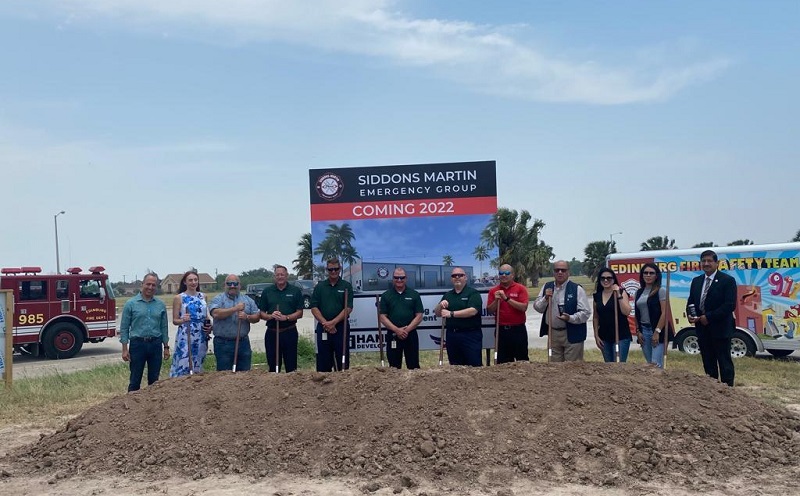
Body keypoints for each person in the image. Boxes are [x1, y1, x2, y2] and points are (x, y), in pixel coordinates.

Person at [687, 250, 736, 386]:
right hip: (702, 330)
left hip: (721, 329)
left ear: (717, 263)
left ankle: (728, 391)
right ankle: (712, 390)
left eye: (709, 261)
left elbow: (729, 305)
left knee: (724, 362)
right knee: (708, 362)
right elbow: (691, 301)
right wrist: (690, 314)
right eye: (703, 261)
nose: (706, 264)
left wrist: (708, 317)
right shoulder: (696, 281)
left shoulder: (727, 281)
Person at [119, 274, 169, 392]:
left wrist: (166, 347)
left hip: (155, 344)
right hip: (138, 345)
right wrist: (125, 349)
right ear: (142, 284)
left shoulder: (160, 305)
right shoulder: (131, 304)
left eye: (153, 285)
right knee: (135, 379)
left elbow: (164, 327)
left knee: (154, 381)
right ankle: (132, 402)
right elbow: (124, 327)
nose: (150, 287)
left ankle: (152, 403)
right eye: (148, 284)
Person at [533, 260, 590, 362]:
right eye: (557, 270)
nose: (560, 272)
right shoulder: (547, 287)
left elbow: (586, 313)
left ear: (568, 272)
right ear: (553, 272)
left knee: (572, 367)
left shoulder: (577, 289)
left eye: (563, 270)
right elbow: (538, 308)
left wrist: (570, 318)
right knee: (554, 367)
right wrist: (545, 298)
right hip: (553, 333)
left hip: (573, 333)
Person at [310, 258, 354, 372]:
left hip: (341, 327)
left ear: (340, 269)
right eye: (330, 269)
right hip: (323, 327)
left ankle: (342, 382)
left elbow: (348, 308)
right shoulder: (320, 287)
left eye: (336, 269)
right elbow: (314, 307)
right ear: (327, 270)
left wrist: (333, 323)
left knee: (342, 361)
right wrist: (326, 323)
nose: (333, 271)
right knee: (323, 361)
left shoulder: (346, 286)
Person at [209, 275, 260, 371]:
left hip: (243, 343)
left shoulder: (248, 300)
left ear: (240, 285)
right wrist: (235, 309)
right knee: (224, 374)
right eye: (229, 283)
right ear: (224, 285)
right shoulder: (218, 299)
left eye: (235, 283)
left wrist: (247, 317)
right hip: (223, 344)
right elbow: (216, 313)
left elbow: (257, 317)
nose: (232, 286)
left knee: (244, 374)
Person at [259, 265, 304, 373]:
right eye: (277, 275)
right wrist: (271, 316)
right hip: (272, 333)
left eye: (282, 274)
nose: (280, 277)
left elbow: (300, 313)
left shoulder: (295, 291)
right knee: (273, 366)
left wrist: (286, 317)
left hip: (289, 332)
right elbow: (261, 313)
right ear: (274, 276)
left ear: (286, 275)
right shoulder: (267, 291)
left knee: (291, 366)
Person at [435, 267, 483, 367]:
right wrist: (440, 305)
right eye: (454, 276)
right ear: (451, 279)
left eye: (460, 275)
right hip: (452, 335)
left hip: (470, 335)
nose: (457, 277)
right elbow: (438, 313)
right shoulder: (448, 295)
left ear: (465, 277)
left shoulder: (473, 293)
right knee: (455, 367)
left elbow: (473, 311)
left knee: (474, 366)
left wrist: (451, 314)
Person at [379, 267, 424, 369]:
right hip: (393, 335)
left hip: (410, 334)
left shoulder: (414, 294)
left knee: (414, 366)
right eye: (396, 277)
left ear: (406, 278)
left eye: (402, 277)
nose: (399, 280)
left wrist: (406, 330)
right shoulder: (386, 295)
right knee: (393, 368)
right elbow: (382, 317)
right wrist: (397, 330)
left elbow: (419, 316)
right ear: (393, 279)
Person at [169, 270, 211, 377]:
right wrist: (183, 319)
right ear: (185, 282)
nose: (193, 282)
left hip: (200, 334)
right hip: (186, 333)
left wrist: (209, 325)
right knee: (185, 360)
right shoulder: (179, 298)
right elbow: (175, 320)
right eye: (190, 280)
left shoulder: (203, 296)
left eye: (195, 280)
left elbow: (205, 315)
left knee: (198, 360)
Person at [486, 264, 530, 363]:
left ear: (512, 275)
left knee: (522, 360)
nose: (504, 275)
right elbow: (489, 310)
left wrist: (506, 299)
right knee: (503, 362)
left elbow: (523, 307)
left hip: (518, 330)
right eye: (501, 273)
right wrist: (496, 300)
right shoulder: (494, 291)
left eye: (507, 273)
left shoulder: (520, 288)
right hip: (501, 330)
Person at [592, 268, 633, 362]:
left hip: (621, 336)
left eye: (609, 278)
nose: (606, 280)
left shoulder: (621, 292)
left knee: (618, 365)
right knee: (608, 366)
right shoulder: (597, 296)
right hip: (604, 337)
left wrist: (618, 294)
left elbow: (626, 311)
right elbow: (596, 317)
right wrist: (596, 336)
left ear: (614, 279)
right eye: (603, 278)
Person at [633, 263, 670, 368]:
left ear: (656, 275)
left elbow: (664, 313)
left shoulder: (661, 291)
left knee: (656, 364)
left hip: (658, 330)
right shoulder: (638, 292)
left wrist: (657, 331)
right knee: (649, 363)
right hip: (644, 331)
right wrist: (638, 331)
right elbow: (636, 313)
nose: (648, 275)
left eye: (651, 273)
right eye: (646, 273)